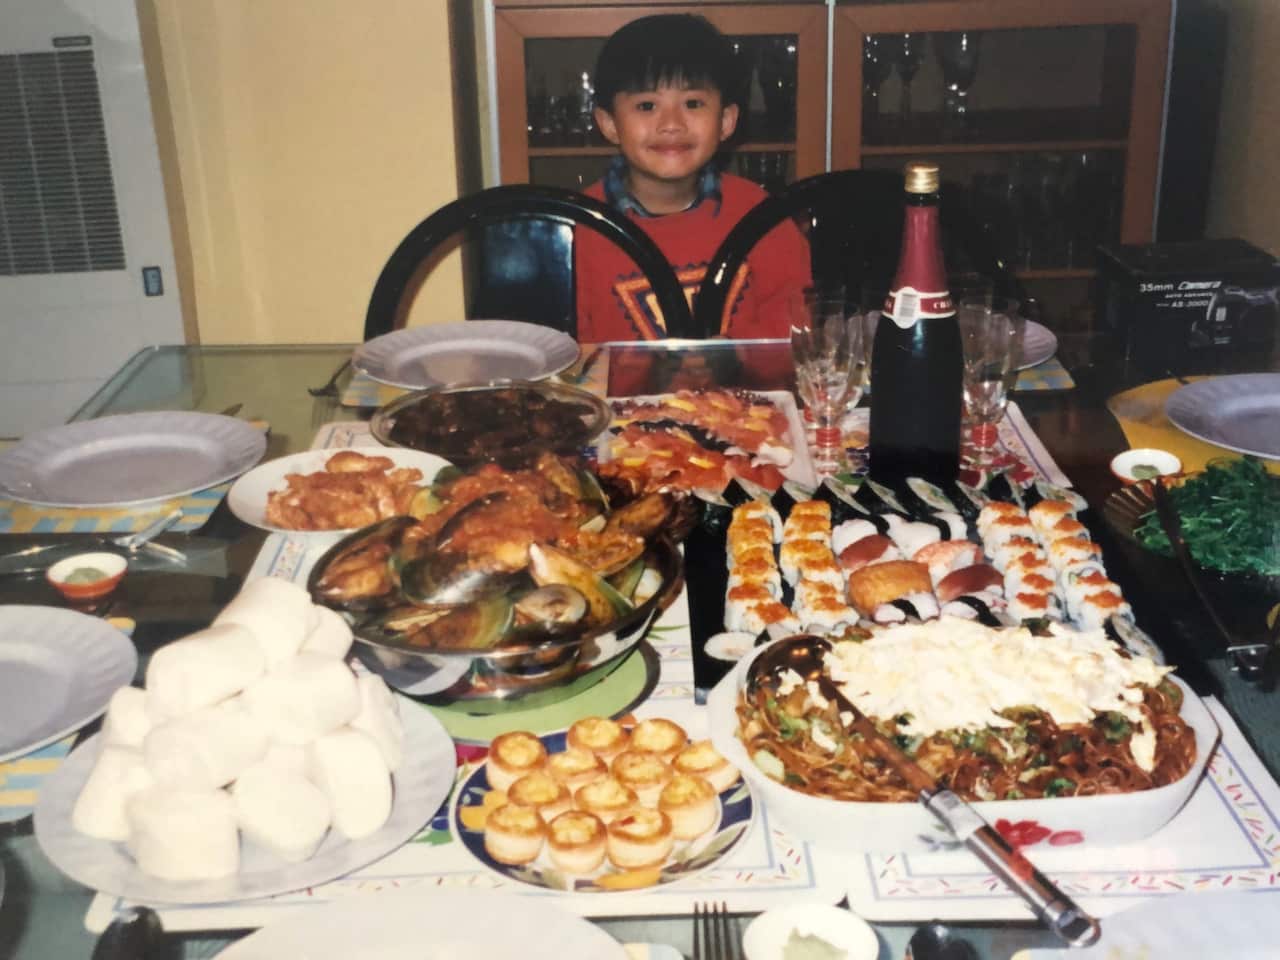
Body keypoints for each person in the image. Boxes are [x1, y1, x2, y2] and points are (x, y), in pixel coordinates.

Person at [574, 14, 811, 345]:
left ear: (726, 121)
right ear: (609, 123)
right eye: (646, 106)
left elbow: (796, 315)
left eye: (693, 103)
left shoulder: (760, 214)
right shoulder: (580, 229)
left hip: (739, 393)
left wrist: (730, 355)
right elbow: (567, 350)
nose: (671, 123)